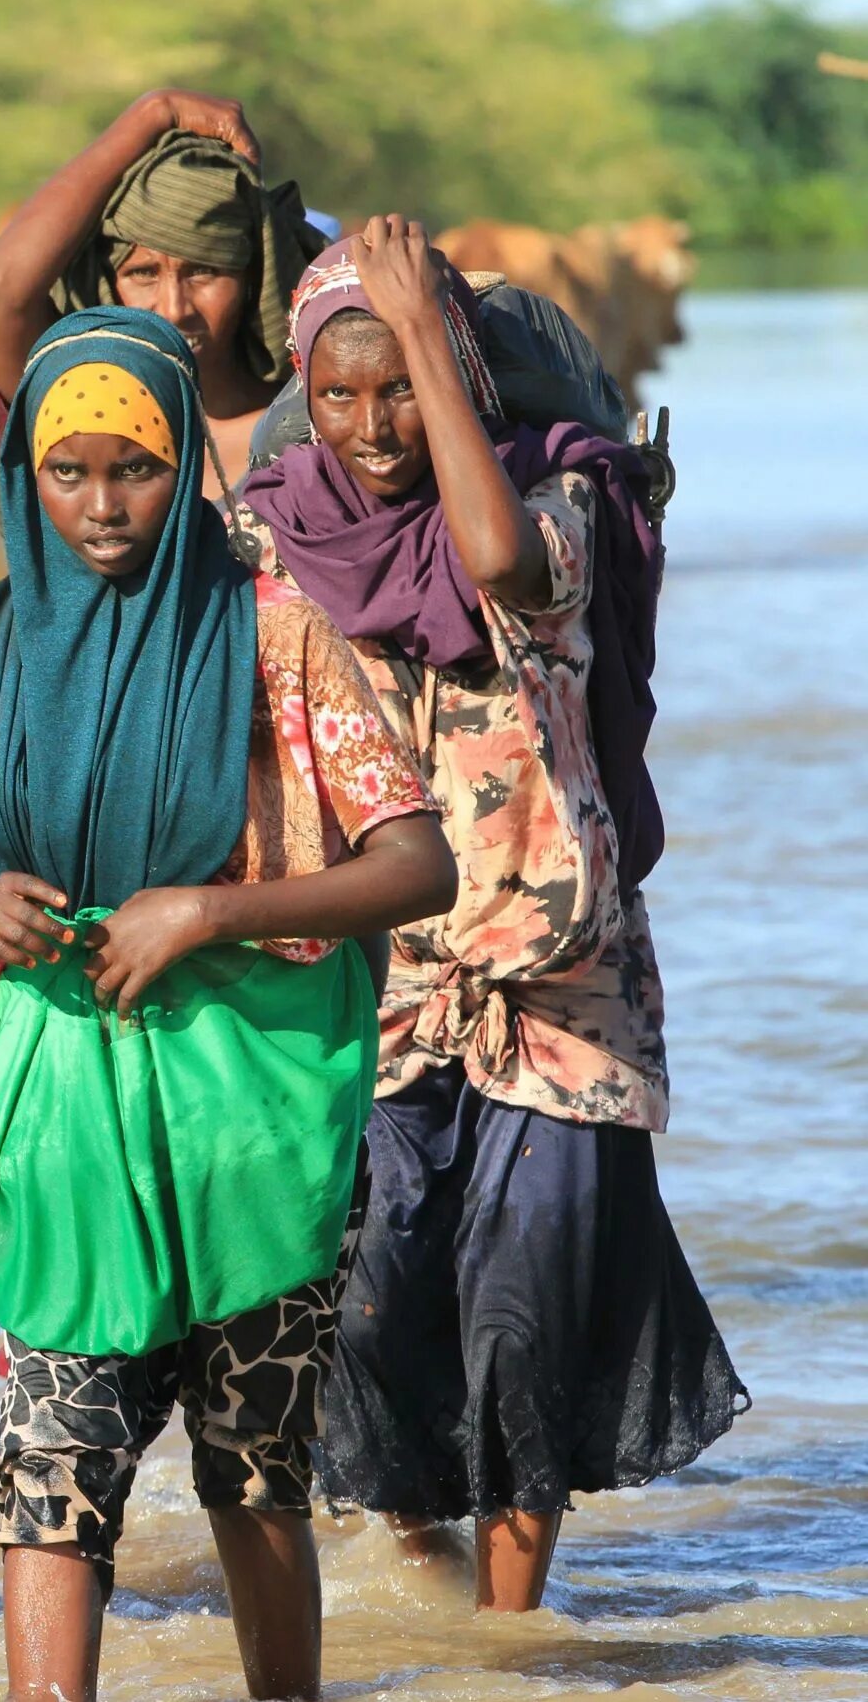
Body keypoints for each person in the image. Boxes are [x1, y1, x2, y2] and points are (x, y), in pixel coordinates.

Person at [0, 305, 456, 1700]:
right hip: (66, 1115)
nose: (102, 503)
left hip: (254, 1116)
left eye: (134, 468)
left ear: (185, 463)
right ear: (25, 478)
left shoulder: (273, 636)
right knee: (52, 1466)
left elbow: (415, 862)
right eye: (67, 472)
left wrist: (207, 910)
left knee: (256, 1469)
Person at [240, 216, 747, 1611]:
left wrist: (422, 325)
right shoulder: (272, 536)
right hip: (368, 988)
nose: (372, 427)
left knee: (524, 1316)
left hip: (553, 981)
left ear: (458, 376)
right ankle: (423, 1558)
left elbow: (491, 560)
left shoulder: (559, 500)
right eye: (338, 393)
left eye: (404, 386)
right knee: (362, 1303)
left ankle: (506, 1645)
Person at [0, 90, 325, 497]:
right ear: (107, 283)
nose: (174, 310)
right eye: (143, 274)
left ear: (253, 279)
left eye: (204, 272)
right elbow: (4, 289)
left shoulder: (314, 420)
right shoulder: (72, 410)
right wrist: (154, 112)